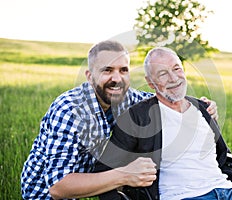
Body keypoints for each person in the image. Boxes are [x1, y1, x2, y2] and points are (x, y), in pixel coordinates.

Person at [20, 40, 218, 199]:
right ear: (89, 76)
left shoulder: (128, 99)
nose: (117, 78)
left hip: (93, 187)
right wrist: (125, 175)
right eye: (107, 70)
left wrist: (203, 106)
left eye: (123, 70)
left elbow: (166, 99)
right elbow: (58, 187)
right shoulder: (70, 110)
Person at [95, 47, 232, 200]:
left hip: (229, 191)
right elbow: (105, 169)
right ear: (151, 83)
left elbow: (227, 158)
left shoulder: (203, 108)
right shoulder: (137, 117)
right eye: (163, 73)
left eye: (177, 69)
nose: (174, 78)